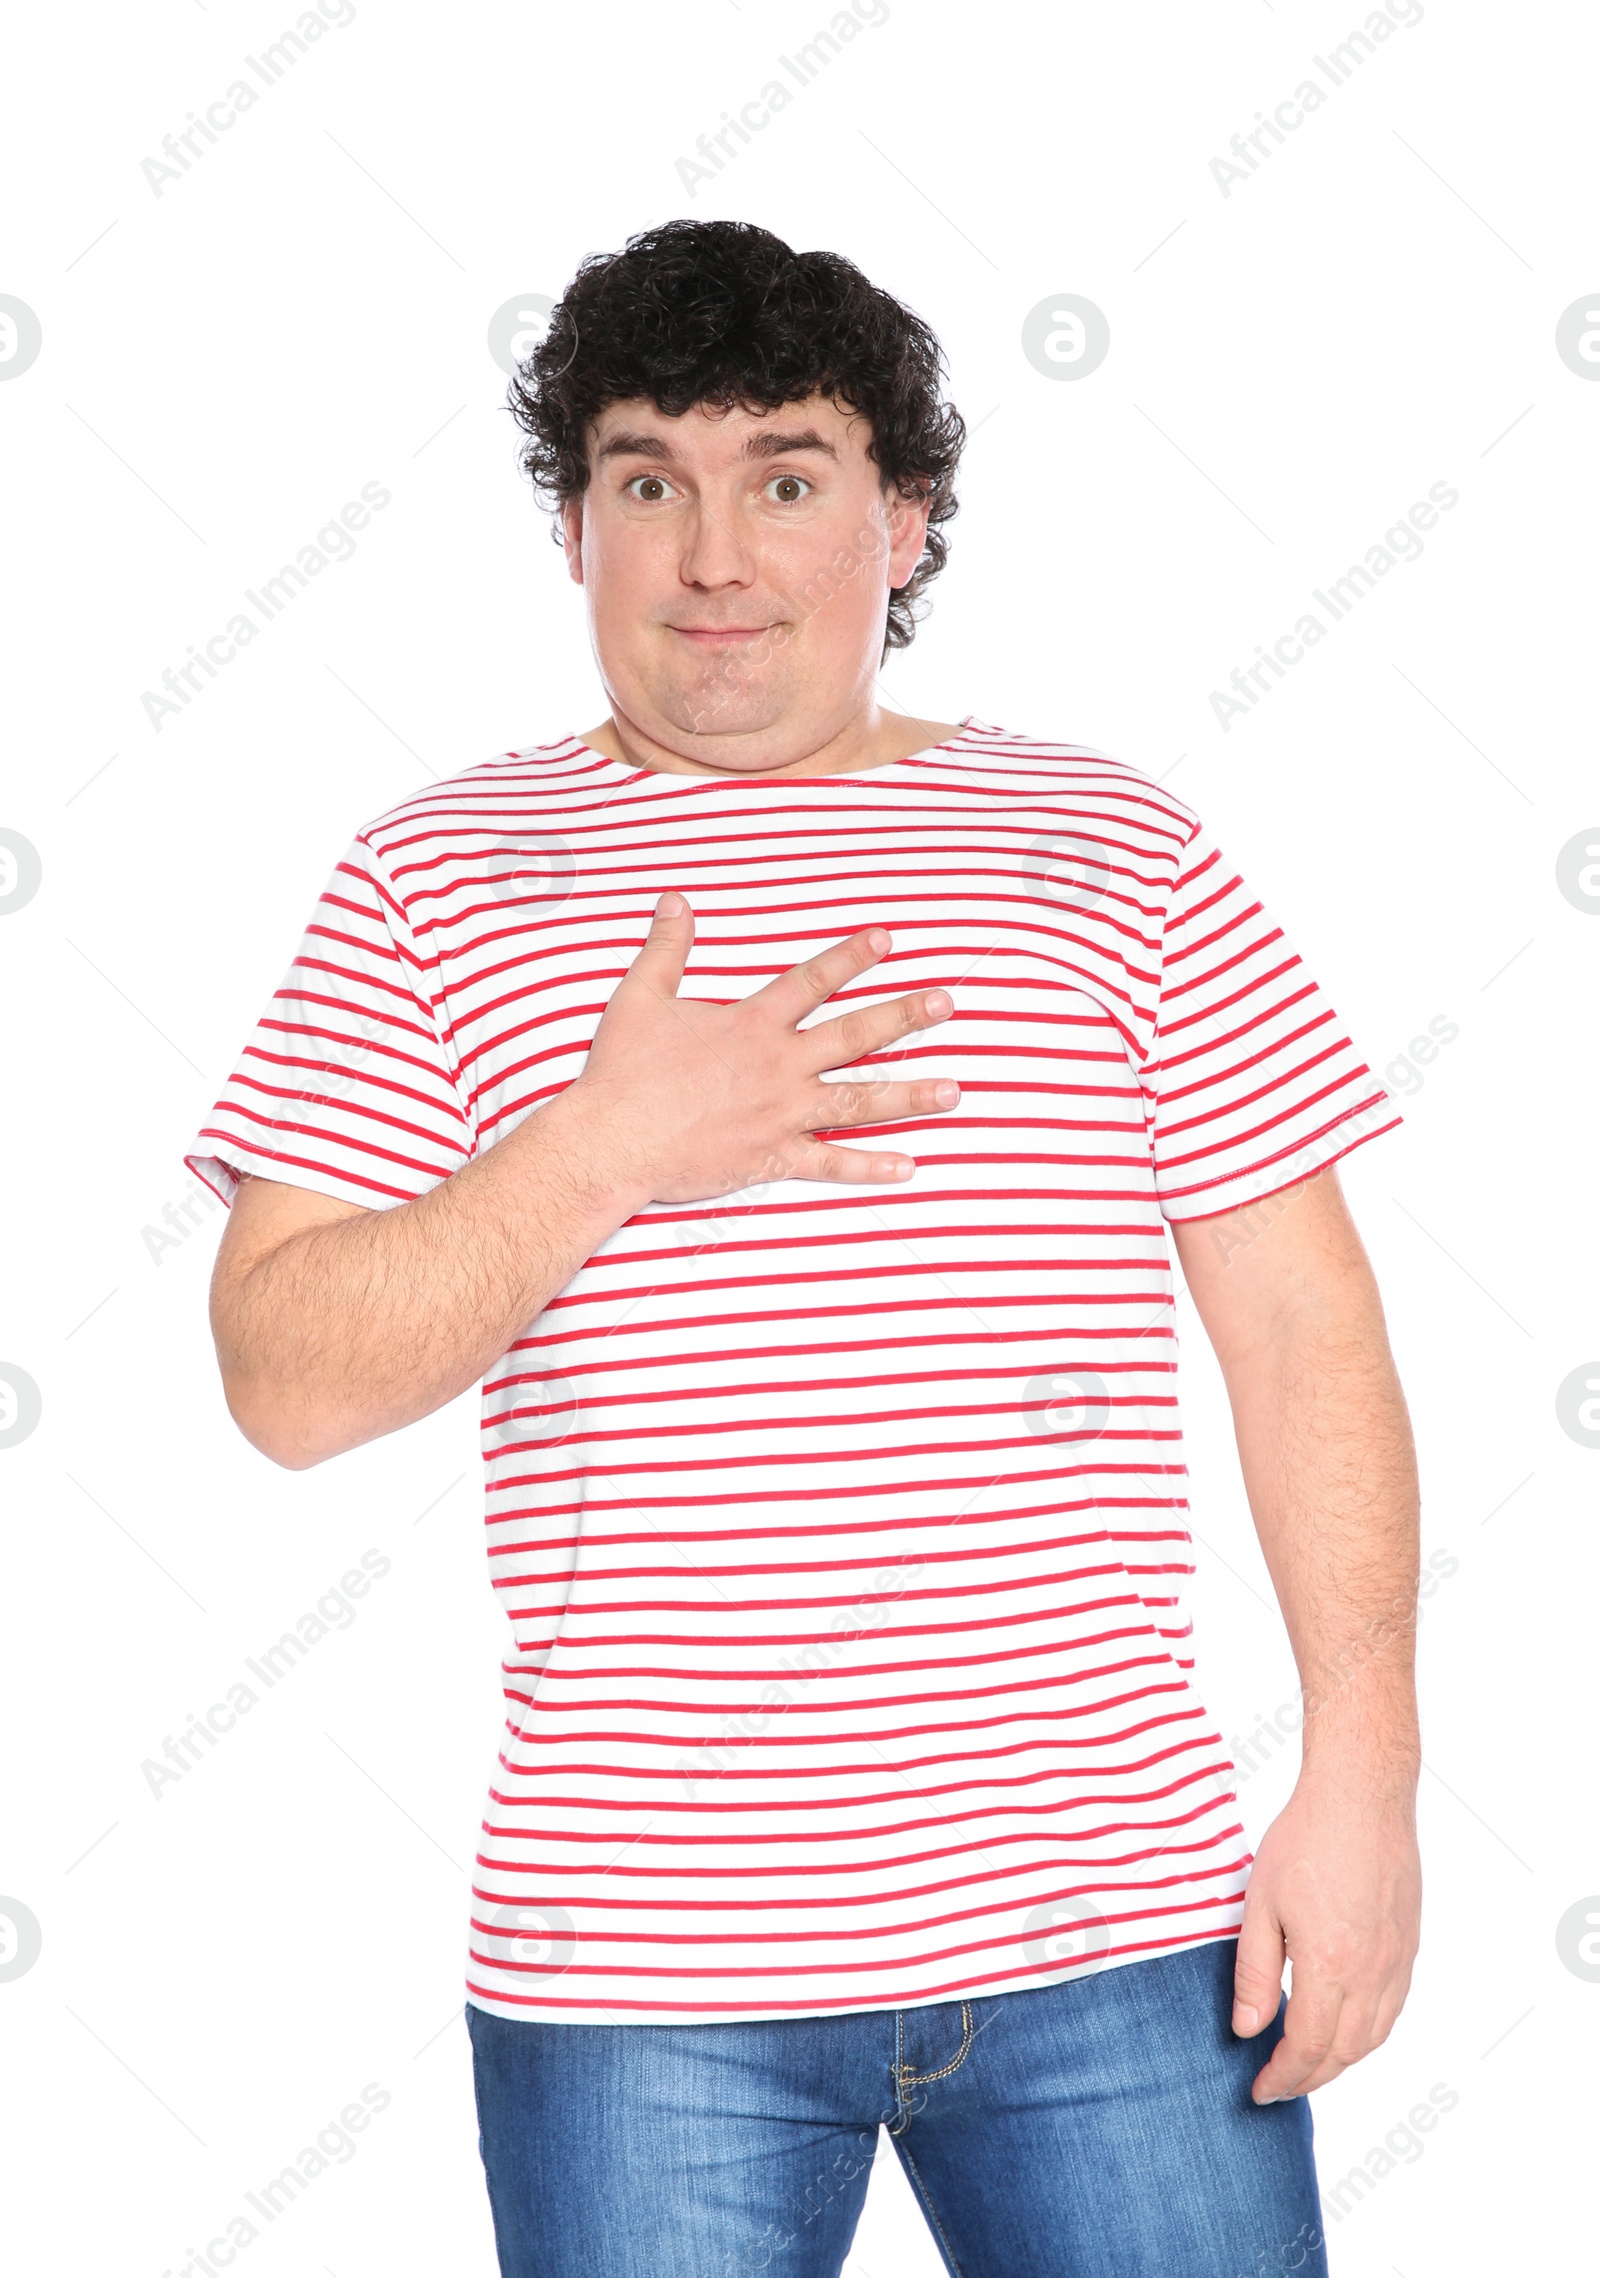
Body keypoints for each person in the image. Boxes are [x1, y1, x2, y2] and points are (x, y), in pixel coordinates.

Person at [186, 220, 1422, 2277]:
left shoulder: (1111, 843)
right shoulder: (433, 878)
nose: (710, 554)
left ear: (902, 522)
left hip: (1117, 1926)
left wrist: (1362, 1776)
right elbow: (283, 1379)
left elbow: (1302, 1320)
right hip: (639, 1964)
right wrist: (607, 1143)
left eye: (783, 475)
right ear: (570, 526)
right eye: (643, 479)